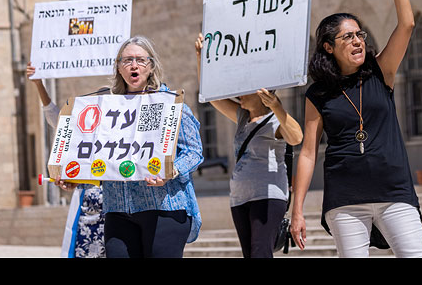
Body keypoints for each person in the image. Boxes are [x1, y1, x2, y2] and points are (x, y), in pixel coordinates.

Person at [290, 0, 422, 258]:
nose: (357, 41)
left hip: (395, 190)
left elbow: (407, 24)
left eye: (360, 35)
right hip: (345, 198)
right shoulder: (318, 93)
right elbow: (309, 153)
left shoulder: (381, 72)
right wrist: (297, 209)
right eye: (347, 36)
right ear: (328, 47)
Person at [49, 35, 204, 258]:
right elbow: (99, 159)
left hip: (164, 208)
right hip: (118, 210)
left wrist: (171, 172)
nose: (134, 66)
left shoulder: (169, 104)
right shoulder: (104, 109)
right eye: (127, 60)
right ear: (119, 68)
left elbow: (193, 151)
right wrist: (76, 178)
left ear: (151, 66)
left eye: (141, 60)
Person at [195, 33, 303, 258]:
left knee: (260, 253)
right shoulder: (243, 117)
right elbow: (211, 96)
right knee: (250, 254)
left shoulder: (275, 119)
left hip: (268, 196)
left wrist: (277, 107)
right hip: (239, 197)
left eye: (246, 88)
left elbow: (296, 137)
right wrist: (201, 58)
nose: (239, 93)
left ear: (262, 91)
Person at [27, 62, 106, 258]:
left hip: (117, 209)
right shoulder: (82, 131)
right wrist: (39, 84)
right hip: (87, 208)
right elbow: (57, 119)